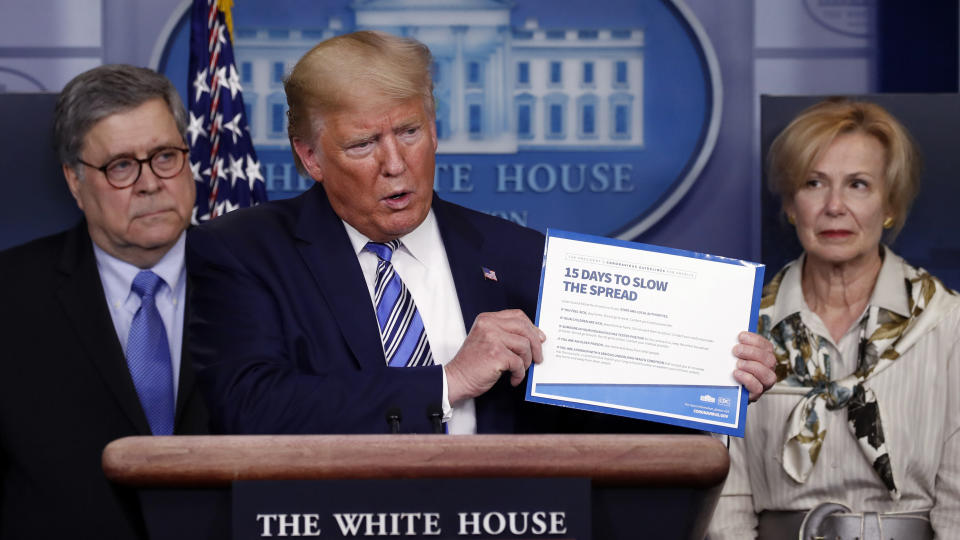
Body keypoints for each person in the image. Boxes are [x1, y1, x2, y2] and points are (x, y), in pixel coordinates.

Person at [186, 30, 776, 436]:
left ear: (435, 129)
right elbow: (249, 408)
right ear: (311, 157)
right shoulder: (244, 251)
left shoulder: (519, 255)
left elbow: (594, 415)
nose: (395, 164)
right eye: (364, 144)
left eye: (410, 132)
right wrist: (445, 383)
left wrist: (712, 384)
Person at [708, 99, 960, 539]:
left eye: (858, 184)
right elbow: (727, 498)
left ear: (890, 203)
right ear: (791, 203)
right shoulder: (741, 324)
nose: (834, 206)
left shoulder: (948, 323)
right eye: (814, 183)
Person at [0, 65, 209, 539]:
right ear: (75, 182)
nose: (151, 183)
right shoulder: (9, 298)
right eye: (120, 166)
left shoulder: (257, 283)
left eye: (164, 156)